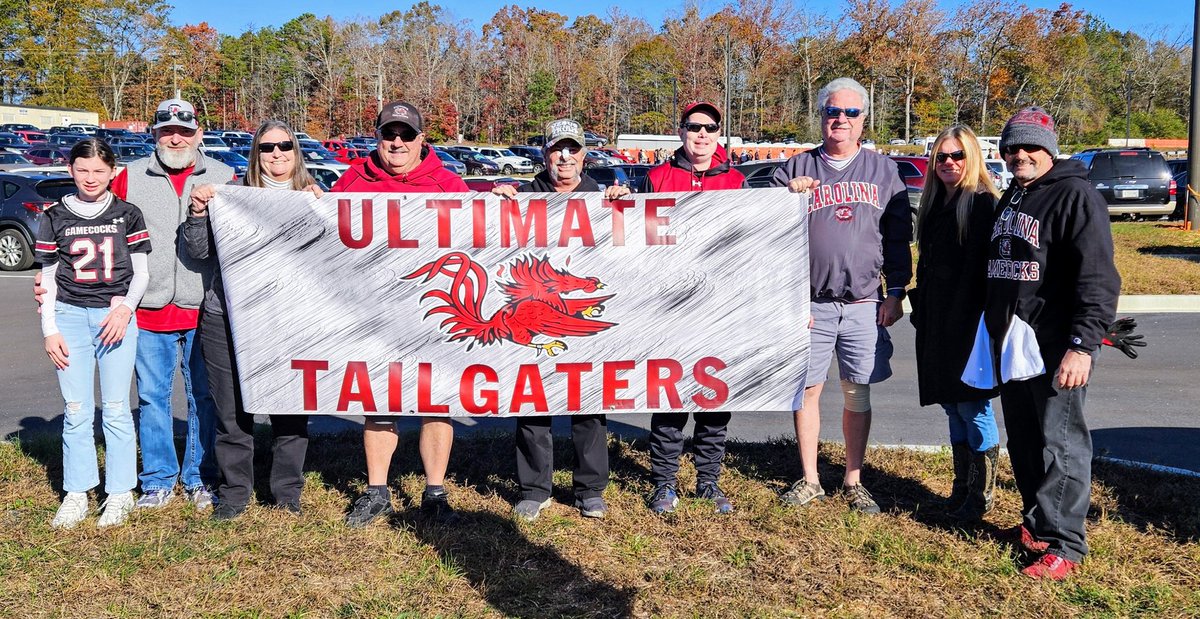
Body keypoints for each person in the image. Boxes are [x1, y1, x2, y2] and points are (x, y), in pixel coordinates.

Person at [36, 98, 232, 510]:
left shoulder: (225, 175)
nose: (174, 137)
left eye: (183, 130)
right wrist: (51, 278)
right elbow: (92, 233)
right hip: (147, 306)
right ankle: (158, 479)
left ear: (198, 132)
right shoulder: (127, 178)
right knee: (153, 397)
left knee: (204, 396)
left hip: (204, 304)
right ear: (154, 133)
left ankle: (200, 477)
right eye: (165, 130)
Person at [982, 107, 1119, 579]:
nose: (1020, 154)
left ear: (1050, 150)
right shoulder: (1014, 197)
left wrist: (1083, 344)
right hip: (1013, 343)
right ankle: (1038, 525)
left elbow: (1098, 276)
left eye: (1030, 146)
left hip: (1055, 344)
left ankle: (1066, 544)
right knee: (1025, 440)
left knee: (1061, 444)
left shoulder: (1076, 196)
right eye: (1012, 147)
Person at [770, 77, 912, 514]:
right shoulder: (794, 169)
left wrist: (898, 291)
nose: (841, 120)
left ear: (863, 119)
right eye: (833, 111)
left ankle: (853, 479)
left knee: (858, 392)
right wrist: (784, 199)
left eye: (851, 113)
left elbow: (897, 236)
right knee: (807, 390)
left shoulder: (883, 170)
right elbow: (766, 239)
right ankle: (810, 479)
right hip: (809, 302)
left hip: (863, 302)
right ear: (821, 116)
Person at [331, 101, 470, 527]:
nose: (397, 142)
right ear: (376, 137)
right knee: (380, 401)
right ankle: (377, 492)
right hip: (374, 311)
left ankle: (434, 492)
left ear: (421, 139)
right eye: (389, 134)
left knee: (437, 401)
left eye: (406, 135)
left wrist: (499, 202)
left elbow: (480, 237)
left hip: (433, 310)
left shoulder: (448, 185)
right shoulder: (352, 182)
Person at [491, 118, 630, 522]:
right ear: (544, 154)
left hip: (577, 315)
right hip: (535, 318)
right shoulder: (525, 197)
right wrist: (493, 198)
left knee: (589, 401)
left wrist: (624, 201)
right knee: (532, 401)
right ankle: (535, 488)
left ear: (585, 155)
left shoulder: (601, 199)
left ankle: (589, 489)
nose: (564, 157)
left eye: (572, 149)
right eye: (556, 149)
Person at [184, 120, 322, 520]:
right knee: (232, 412)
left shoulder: (313, 197)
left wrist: (324, 213)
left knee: (291, 410)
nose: (276, 154)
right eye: (266, 148)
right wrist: (198, 211)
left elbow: (333, 264)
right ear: (255, 154)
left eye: (284, 146)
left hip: (288, 320)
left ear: (296, 152)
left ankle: (286, 493)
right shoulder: (233, 195)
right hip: (226, 317)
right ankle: (234, 492)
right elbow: (197, 250)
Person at [37, 139, 151, 528]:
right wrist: (50, 329)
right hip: (69, 316)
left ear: (113, 173)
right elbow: (48, 277)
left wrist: (124, 309)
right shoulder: (54, 216)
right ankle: (77, 492)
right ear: (71, 170)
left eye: (99, 171)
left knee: (117, 409)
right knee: (76, 411)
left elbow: (142, 272)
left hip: (113, 317)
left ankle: (120, 492)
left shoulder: (127, 214)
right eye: (83, 170)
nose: (90, 178)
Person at [642, 102, 746, 515]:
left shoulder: (736, 181)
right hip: (670, 305)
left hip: (718, 307)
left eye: (709, 128)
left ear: (719, 134)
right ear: (681, 131)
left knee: (714, 395)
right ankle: (664, 483)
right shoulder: (656, 177)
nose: (701, 135)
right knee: (669, 395)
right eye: (693, 127)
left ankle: (708, 480)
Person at [910, 125, 1001, 521]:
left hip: (970, 323)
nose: (949, 163)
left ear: (972, 158)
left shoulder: (982, 204)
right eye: (942, 157)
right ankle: (961, 488)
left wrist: (980, 323)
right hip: (936, 319)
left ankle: (981, 497)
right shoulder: (933, 205)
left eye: (957, 155)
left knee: (973, 406)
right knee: (952, 406)